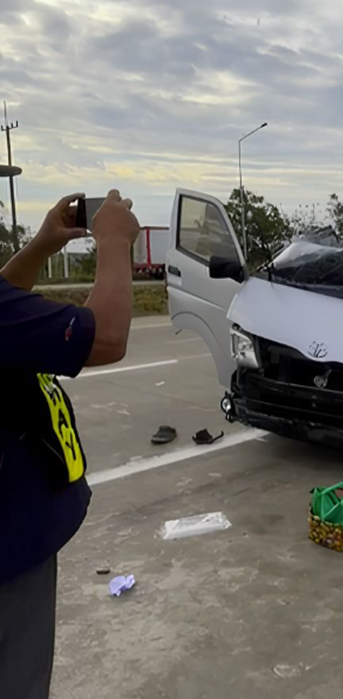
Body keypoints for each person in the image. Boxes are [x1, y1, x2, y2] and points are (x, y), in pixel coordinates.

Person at [0, 190, 139, 699]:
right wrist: (114, 242)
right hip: (10, 548)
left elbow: (6, 302)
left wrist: (40, 246)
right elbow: (106, 337)